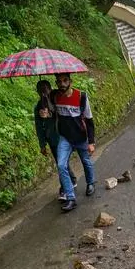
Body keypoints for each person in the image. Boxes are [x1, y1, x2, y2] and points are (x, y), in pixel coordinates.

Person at [50, 72, 96, 212]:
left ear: (70, 81)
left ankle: (90, 183)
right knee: (61, 165)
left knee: (86, 161)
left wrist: (91, 142)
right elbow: (51, 112)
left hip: (80, 136)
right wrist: (45, 113)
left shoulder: (81, 96)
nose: (62, 84)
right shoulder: (54, 96)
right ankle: (70, 197)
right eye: (59, 81)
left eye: (65, 81)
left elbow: (89, 120)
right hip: (65, 137)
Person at [33, 79, 76, 200]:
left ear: (50, 89)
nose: (43, 94)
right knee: (61, 163)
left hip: (62, 136)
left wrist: (50, 114)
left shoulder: (57, 100)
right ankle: (71, 180)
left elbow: (65, 114)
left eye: (45, 90)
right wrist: (42, 144)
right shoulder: (38, 107)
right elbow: (38, 126)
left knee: (61, 164)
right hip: (51, 139)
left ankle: (65, 189)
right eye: (40, 91)